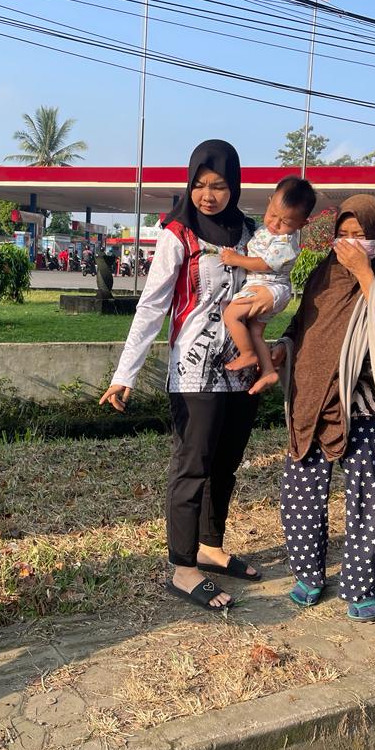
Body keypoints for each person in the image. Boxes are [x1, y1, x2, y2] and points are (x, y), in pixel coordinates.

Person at [99, 139, 272, 612]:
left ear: (234, 186)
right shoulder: (179, 233)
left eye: (218, 186)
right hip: (194, 371)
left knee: (226, 462)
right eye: (199, 185)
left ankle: (210, 547)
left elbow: (272, 283)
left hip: (242, 368)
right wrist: (125, 373)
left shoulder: (250, 233)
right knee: (192, 466)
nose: (208, 196)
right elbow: (152, 305)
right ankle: (183, 567)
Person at [271, 194, 375, 623]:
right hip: (311, 400)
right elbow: (302, 324)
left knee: (368, 498)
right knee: (300, 495)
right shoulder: (322, 273)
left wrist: (366, 274)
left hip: (363, 408)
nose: (351, 243)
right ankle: (308, 575)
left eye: (361, 235)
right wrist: (283, 346)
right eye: (344, 235)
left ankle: (361, 585)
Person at [220, 177, 317, 392]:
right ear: (269, 201)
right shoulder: (264, 230)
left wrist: (236, 259)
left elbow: (264, 264)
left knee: (230, 314)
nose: (275, 224)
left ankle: (247, 353)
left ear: (302, 224)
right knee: (255, 332)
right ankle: (268, 371)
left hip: (270, 288)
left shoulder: (286, 242)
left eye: (286, 222)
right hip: (266, 288)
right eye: (273, 215)